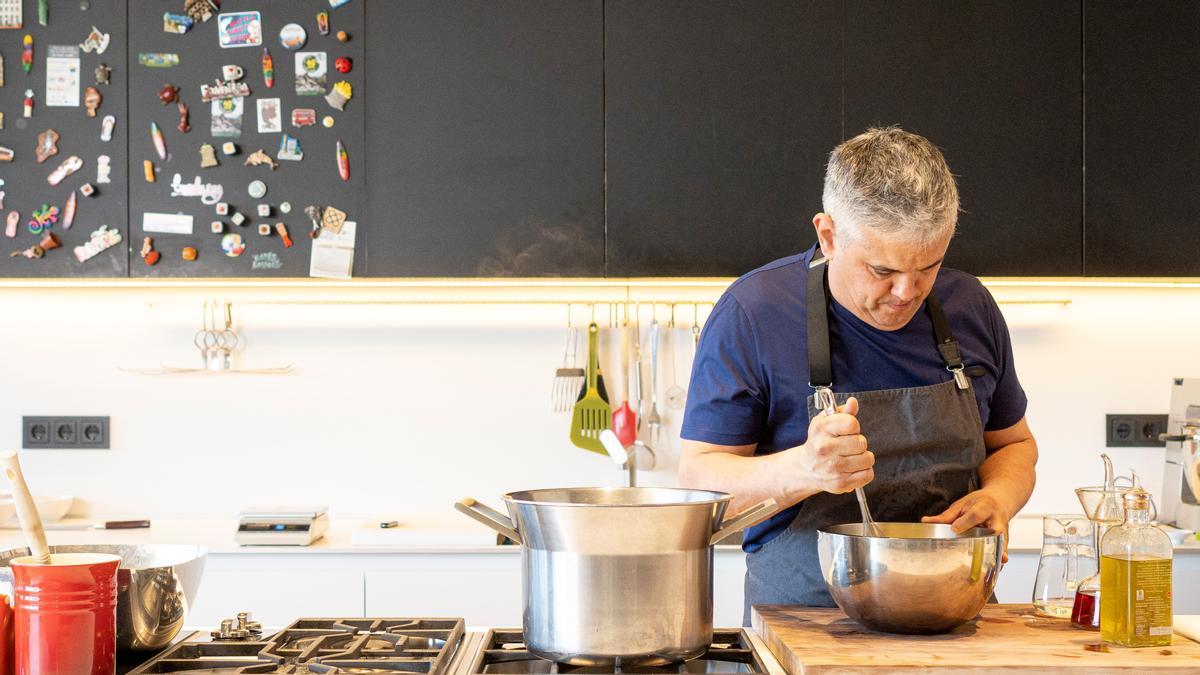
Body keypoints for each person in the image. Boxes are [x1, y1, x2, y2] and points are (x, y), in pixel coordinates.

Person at [678, 126, 1038, 623]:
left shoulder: (968, 305)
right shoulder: (753, 313)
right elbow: (700, 484)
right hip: (802, 626)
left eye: (929, 266)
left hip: (955, 619)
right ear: (828, 235)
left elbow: (1013, 445)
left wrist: (1000, 497)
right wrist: (805, 469)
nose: (906, 292)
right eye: (882, 270)